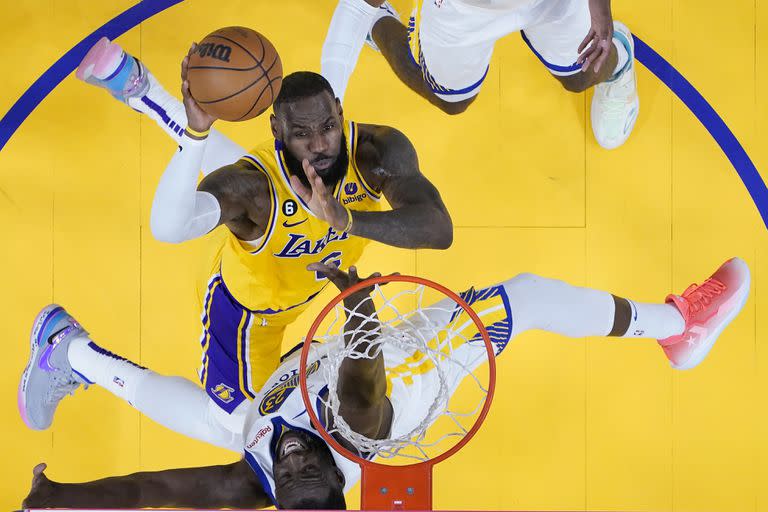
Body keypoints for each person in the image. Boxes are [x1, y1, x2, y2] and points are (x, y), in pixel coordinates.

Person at [21, 257, 750, 509]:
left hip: (325, 355)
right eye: (312, 473)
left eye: (287, 477)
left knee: (227, 423)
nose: (293, 460)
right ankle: (677, 327)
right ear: (339, 483)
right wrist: (357, 291)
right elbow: (365, 369)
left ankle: (70, 350)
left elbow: (153, 492)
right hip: (421, 355)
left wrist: (59, 499)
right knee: (525, 296)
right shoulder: (363, 429)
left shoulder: (258, 483)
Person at [16, 41, 452, 445]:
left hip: (302, 291)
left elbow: (438, 229)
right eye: (302, 133)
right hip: (246, 315)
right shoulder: (251, 188)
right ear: (277, 129)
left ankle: (135, 84)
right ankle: (72, 351)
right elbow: (170, 228)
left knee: (268, 182)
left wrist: (346, 218)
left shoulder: (375, 151)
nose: (321, 144)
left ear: (340, 111)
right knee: (241, 432)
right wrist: (196, 132)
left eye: (329, 126)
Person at [321, 0, 639, 149]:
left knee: (581, 77)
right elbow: (355, 6)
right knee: (452, 101)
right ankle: (380, 22)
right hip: (461, 12)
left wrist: (600, 7)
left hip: (552, 2)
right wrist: (325, 114)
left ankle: (620, 60)